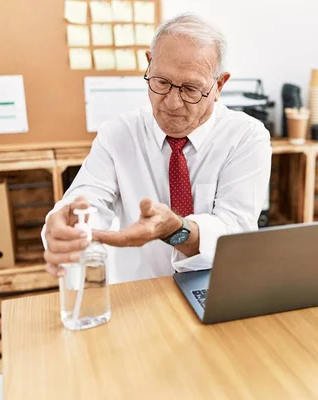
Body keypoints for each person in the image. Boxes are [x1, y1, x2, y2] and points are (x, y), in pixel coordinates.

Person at [42, 13, 272, 282]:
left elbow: (235, 230)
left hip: (217, 286)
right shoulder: (119, 133)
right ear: (149, 64)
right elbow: (89, 198)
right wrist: (69, 227)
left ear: (219, 84)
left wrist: (177, 229)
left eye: (190, 89)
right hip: (139, 293)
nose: (172, 103)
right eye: (161, 82)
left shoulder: (245, 136)